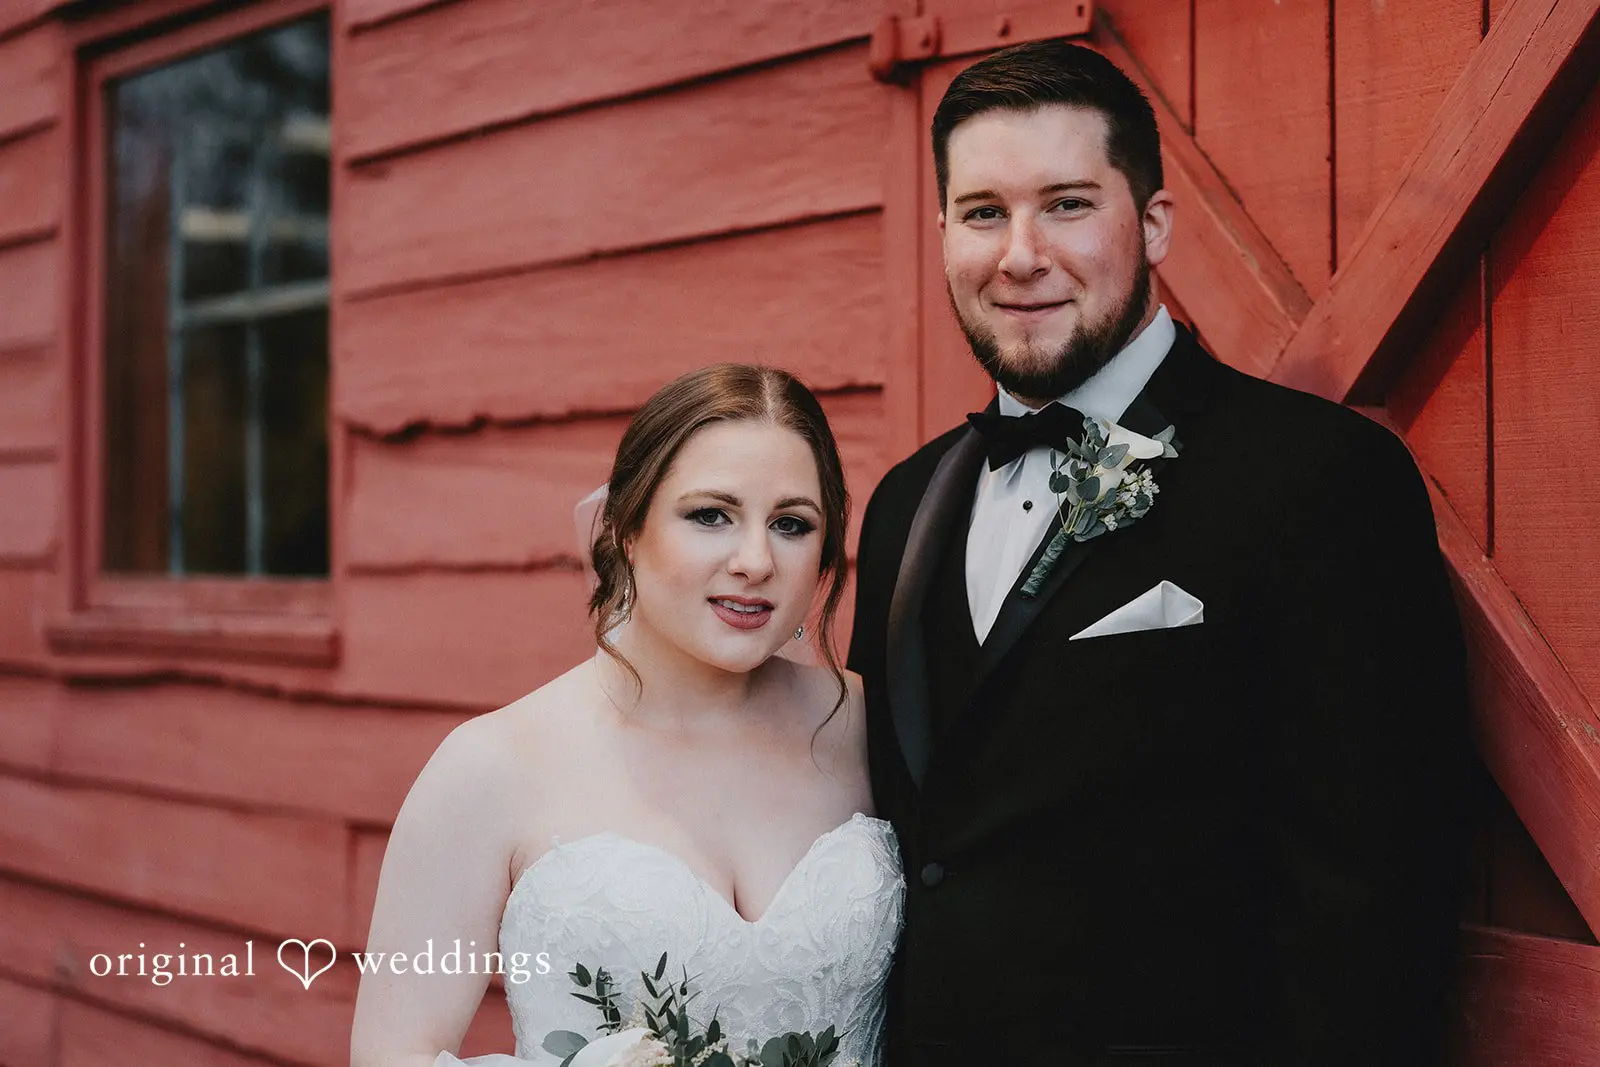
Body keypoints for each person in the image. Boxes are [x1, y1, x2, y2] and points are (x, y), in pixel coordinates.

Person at [846, 40, 1474, 1066]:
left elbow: (1376, 895)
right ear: (943, 233)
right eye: (982, 212)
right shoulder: (903, 504)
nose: (1019, 253)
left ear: (1153, 222)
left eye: (1066, 203)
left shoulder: (1316, 477)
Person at [351, 364, 904, 1067]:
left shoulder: (868, 725)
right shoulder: (492, 765)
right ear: (626, 529)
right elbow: (392, 1053)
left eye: (792, 524)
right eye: (711, 515)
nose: (756, 560)